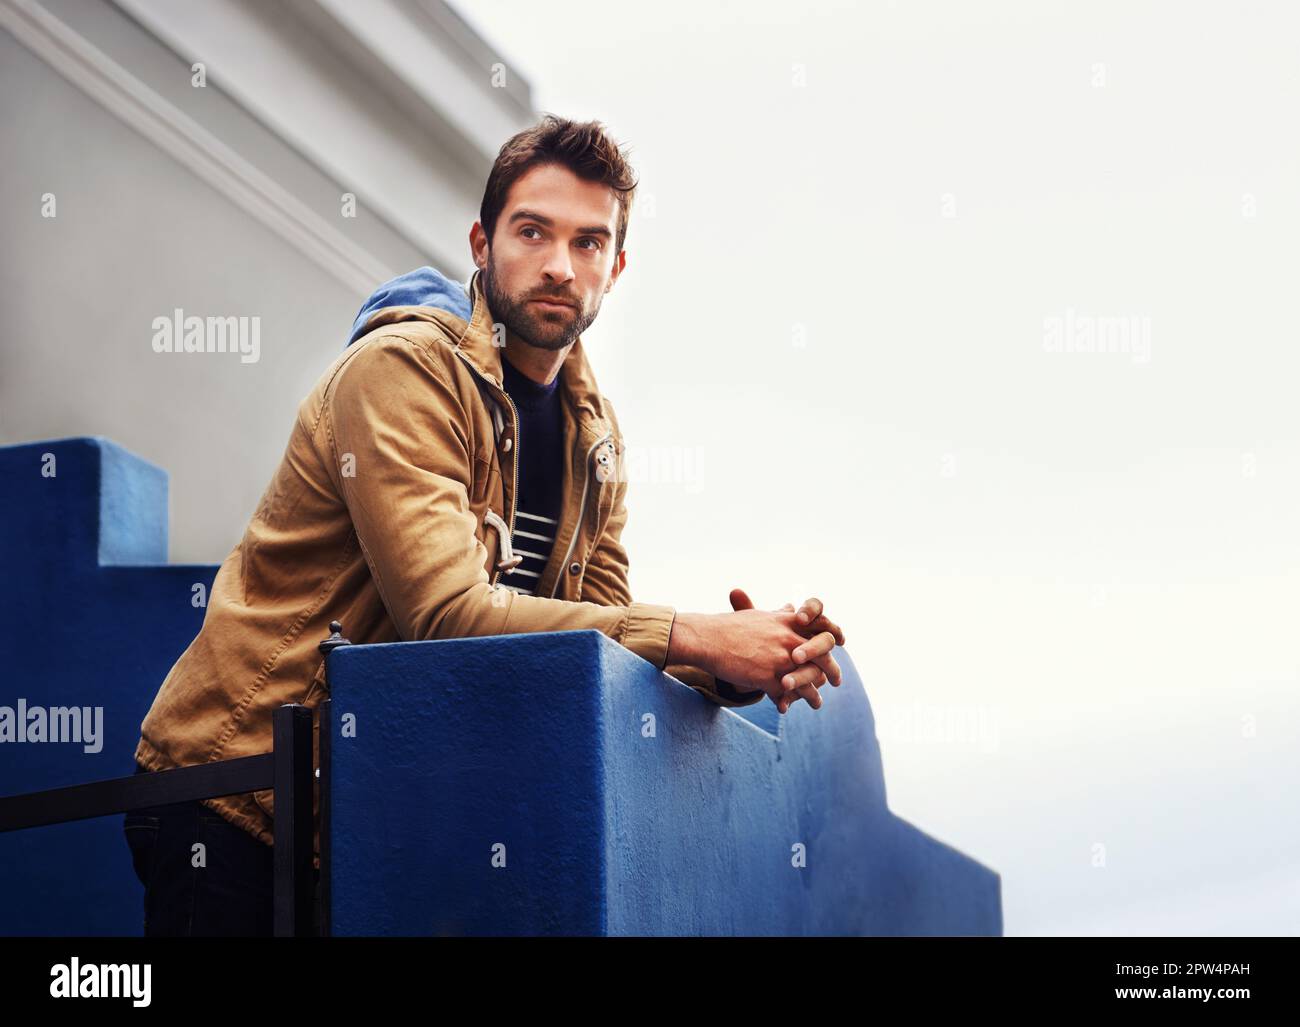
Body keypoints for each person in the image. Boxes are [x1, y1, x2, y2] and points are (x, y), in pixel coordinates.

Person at [127, 114, 847, 935]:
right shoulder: (400, 371)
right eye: (531, 231)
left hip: (373, 820)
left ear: (615, 267)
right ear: (481, 241)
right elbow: (447, 615)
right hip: (236, 794)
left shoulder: (594, 437)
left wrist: (744, 667)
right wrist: (700, 634)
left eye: (586, 244)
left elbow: (596, 658)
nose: (557, 265)